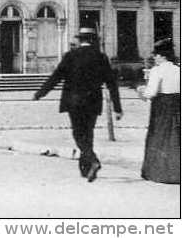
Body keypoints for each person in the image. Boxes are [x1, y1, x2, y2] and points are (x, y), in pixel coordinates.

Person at [34, 27, 122, 182]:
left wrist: (40, 93)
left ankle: (92, 160)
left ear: (80, 40)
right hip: (94, 101)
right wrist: (117, 108)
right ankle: (86, 168)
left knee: (77, 133)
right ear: (93, 40)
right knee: (88, 133)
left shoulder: (71, 56)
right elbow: (111, 83)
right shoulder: (101, 57)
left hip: (74, 101)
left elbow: (55, 77)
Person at [137, 38, 180, 184]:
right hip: (178, 105)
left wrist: (141, 90)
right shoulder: (179, 69)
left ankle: (160, 172)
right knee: (176, 138)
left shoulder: (157, 70)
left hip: (162, 107)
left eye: (156, 55)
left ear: (162, 56)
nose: (154, 57)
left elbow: (151, 93)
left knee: (160, 137)